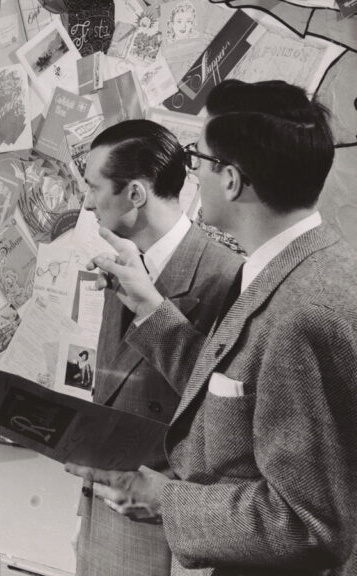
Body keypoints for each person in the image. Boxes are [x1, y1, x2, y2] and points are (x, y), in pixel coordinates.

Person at [70, 80, 357, 575]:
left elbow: (306, 523)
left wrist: (165, 503)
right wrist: (153, 312)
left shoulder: (309, 312)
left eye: (198, 155)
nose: (189, 168)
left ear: (232, 181)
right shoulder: (300, 269)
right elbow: (239, 392)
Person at [73, 119, 243, 576]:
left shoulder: (227, 276)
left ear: (135, 194)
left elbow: (224, 420)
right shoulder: (127, 260)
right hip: (105, 504)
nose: (86, 203)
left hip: (166, 527)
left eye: (93, 187)